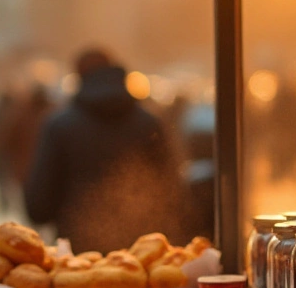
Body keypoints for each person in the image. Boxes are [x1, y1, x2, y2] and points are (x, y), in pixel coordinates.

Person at [25, 49, 181, 253]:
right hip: (143, 257)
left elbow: (38, 206)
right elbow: (173, 193)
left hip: (80, 259)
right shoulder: (148, 123)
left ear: (79, 76)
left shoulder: (59, 126)